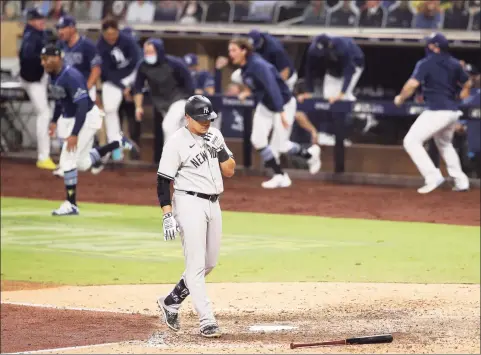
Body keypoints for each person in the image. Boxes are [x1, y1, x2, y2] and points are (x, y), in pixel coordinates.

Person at [156, 95, 235, 338]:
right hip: (188, 202)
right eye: (201, 120)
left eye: (209, 119)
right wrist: (167, 214)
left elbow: (230, 171)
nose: (206, 124)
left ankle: (170, 301)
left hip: (213, 203)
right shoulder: (176, 142)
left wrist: (219, 149)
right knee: (196, 264)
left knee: (209, 262)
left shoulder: (216, 136)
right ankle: (206, 320)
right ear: (187, 118)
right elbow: (163, 180)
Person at [41, 44, 138, 216]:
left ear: (57, 58)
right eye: (42, 59)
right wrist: (54, 121)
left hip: (87, 117)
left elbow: (82, 106)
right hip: (74, 118)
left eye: (46, 59)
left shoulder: (71, 76)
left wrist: (74, 134)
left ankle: (71, 204)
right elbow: (59, 100)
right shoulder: (53, 76)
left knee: (67, 160)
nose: (43, 63)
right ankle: (116, 143)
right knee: (83, 163)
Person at [227, 38, 321, 189]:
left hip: (283, 104)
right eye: (230, 50)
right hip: (266, 104)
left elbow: (272, 88)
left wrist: (281, 112)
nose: (230, 54)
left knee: (281, 146)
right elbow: (258, 85)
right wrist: (247, 92)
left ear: (244, 50)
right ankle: (280, 175)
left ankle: (311, 154)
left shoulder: (258, 65)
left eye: (234, 50)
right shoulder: (245, 67)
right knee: (258, 140)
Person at [394, 32, 472, 194]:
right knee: (445, 144)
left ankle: (432, 176)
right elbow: (468, 82)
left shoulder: (426, 63)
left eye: (430, 44)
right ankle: (461, 181)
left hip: (437, 111)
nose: (427, 47)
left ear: (435, 47)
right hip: (452, 112)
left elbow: (412, 84)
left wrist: (400, 98)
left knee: (411, 141)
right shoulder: (455, 63)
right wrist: (463, 94)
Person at [54, 15, 104, 177]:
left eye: (63, 28)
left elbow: (96, 68)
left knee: (82, 125)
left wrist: (88, 86)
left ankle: (67, 163)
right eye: (59, 28)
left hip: (83, 89)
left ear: (72, 27)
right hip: (68, 91)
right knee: (66, 126)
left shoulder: (86, 45)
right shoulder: (61, 45)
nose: (60, 32)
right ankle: (90, 158)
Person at [133, 38, 194, 163]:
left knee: (168, 126)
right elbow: (137, 87)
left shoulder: (174, 63)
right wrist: (138, 107)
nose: (148, 55)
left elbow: (188, 81)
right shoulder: (143, 66)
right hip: (162, 104)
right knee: (179, 131)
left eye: (151, 51)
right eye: (146, 52)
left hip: (180, 99)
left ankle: (169, 162)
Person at [96, 17, 141, 161]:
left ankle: (134, 150)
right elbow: (106, 72)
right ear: (103, 33)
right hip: (113, 79)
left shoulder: (128, 40)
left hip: (130, 74)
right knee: (109, 110)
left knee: (133, 114)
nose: (111, 38)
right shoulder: (100, 46)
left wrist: (131, 86)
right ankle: (115, 147)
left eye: (114, 34)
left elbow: (137, 62)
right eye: (108, 35)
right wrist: (122, 87)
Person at [18, 7, 55, 170]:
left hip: (39, 78)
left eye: (42, 18)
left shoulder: (39, 34)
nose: (42, 21)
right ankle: (43, 156)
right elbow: (27, 59)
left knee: (50, 110)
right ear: (30, 20)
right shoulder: (31, 36)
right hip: (33, 80)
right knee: (44, 113)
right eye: (38, 19)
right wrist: (45, 59)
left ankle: (49, 150)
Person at [298, 34, 365, 104]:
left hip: (355, 63)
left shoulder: (342, 48)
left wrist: (341, 94)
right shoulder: (313, 49)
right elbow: (309, 69)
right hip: (334, 66)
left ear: (330, 45)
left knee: (344, 97)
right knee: (328, 97)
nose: (319, 54)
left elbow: (349, 72)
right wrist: (309, 91)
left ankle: (351, 109)